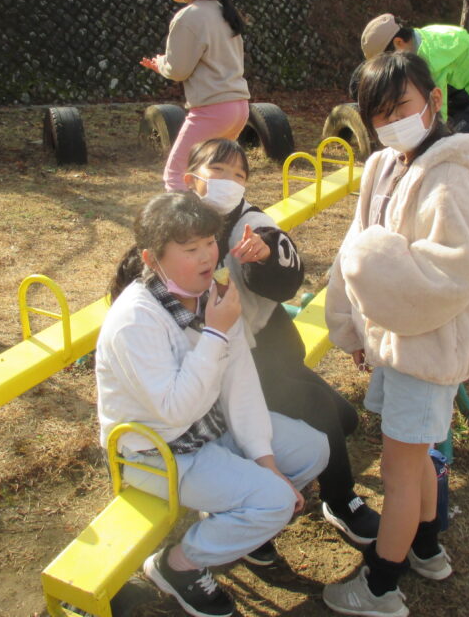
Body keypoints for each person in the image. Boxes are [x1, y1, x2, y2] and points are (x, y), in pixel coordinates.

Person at [322, 52, 469, 617]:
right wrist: (352, 322)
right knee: (415, 457)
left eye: (402, 107)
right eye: (379, 114)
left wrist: (374, 268)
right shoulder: (384, 166)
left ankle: (379, 587)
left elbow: (453, 274)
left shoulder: (450, 177)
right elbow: (353, 247)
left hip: (429, 351)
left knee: (397, 473)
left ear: (433, 101)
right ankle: (425, 547)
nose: (391, 122)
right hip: (397, 343)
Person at [98, 192, 329, 617]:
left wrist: (266, 462)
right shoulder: (135, 319)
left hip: (211, 428)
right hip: (160, 454)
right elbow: (174, 409)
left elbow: (241, 380)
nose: (207, 256)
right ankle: (177, 566)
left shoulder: (212, 293)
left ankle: (243, 526)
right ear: (152, 259)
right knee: (275, 502)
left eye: (209, 242)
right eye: (190, 249)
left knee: (312, 448)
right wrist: (217, 334)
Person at [183, 138, 381, 551]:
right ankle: (336, 500)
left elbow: (287, 275)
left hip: (263, 354)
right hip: (213, 363)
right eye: (218, 171)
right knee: (320, 408)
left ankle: (275, 482)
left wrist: (265, 256)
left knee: (345, 419)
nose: (229, 182)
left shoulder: (251, 222)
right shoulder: (175, 223)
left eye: (239, 175)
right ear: (191, 179)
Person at [360, 14, 469, 223]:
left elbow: (435, 115)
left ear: (398, 43)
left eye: (389, 60)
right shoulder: (424, 38)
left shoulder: (431, 61)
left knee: (453, 140)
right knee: (458, 138)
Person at [140, 0, 251, 191]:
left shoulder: (189, 16)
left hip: (212, 110)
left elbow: (178, 70)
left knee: (177, 176)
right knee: (213, 174)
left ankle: (183, 218)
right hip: (238, 108)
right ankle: (219, 214)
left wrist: (161, 64)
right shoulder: (225, 13)